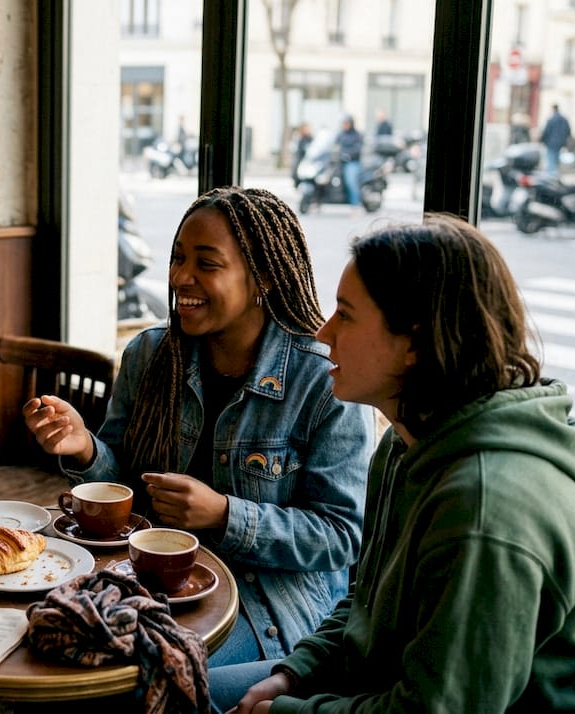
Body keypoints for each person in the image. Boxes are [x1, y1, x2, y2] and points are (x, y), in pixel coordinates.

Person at [211, 214, 575, 712]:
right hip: (373, 683)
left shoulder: (481, 507)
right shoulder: (407, 441)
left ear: (415, 343)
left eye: (346, 315)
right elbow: (366, 602)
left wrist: (287, 712)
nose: (323, 331)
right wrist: (295, 674)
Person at [24, 186, 374, 667]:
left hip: (265, 605)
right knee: (42, 640)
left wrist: (225, 515)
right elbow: (123, 490)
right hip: (146, 580)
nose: (179, 277)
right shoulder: (150, 355)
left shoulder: (321, 378)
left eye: (206, 263)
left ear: (263, 276)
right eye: (177, 258)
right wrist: (85, 448)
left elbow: (341, 535)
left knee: (139, 674)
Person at [335, 114, 363, 213]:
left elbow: (358, 148)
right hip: (339, 162)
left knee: (351, 181)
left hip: (352, 162)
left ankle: (356, 205)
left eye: (347, 123)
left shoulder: (357, 135)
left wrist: (348, 155)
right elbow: (334, 145)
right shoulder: (340, 134)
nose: (345, 125)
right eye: (343, 123)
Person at [542, 103, 572, 176]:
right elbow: (568, 131)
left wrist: (543, 140)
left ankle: (552, 174)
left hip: (551, 142)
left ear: (553, 109)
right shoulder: (564, 119)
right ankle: (555, 172)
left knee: (551, 158)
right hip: (560, 142)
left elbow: (546, 131)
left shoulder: (551, 119)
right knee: (556, 157)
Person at [289, 122, 312, 188]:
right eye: (306, 129)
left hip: (308, 163)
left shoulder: (311, 139)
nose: (308, 130)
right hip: (300, 162)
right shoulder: (299, 139)